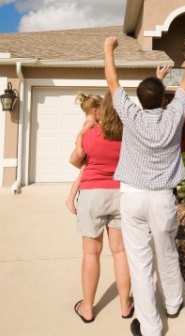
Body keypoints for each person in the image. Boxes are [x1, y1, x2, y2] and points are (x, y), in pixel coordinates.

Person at [104, 35, 185, 336]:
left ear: (139, 100)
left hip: (132, 197)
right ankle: (173, 302)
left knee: (140, 262)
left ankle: (150, 327)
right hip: (162, 199)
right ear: (162, 99)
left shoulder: (131, 115)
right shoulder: (173, 115)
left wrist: (108, 49)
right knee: (167, 250)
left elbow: (112, 80)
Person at [67, 91, 134, 323]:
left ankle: (87, 308)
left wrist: (82, 133)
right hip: (119, 194)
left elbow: (75, 160)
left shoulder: (90, 134)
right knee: (120, 251)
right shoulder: (126, 134)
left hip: (92, 196)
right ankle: (125, 305)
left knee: (90, 252)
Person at [65, 93, 103, 215]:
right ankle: (70, 199)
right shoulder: (90, 122)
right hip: (87, 153)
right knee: (81, 175)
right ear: (95, 109)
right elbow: (79, 136)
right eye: (102, 109)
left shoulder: (93, 121)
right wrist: (79, 148)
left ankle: (70, 198)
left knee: (81, 174)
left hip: (90, 152)